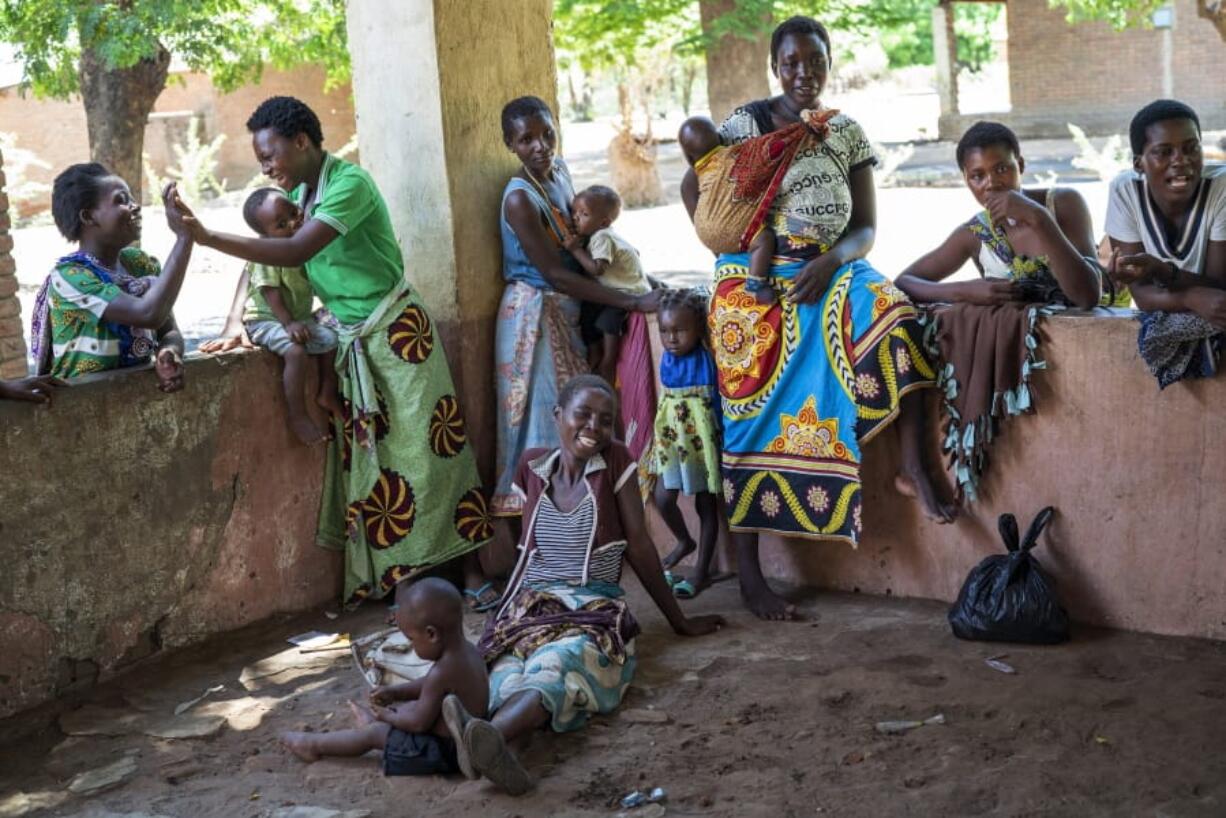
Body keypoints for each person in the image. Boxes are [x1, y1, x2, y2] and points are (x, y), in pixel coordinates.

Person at [680, 16, 956, 620]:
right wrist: (734, 246)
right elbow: (696, 187)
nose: (804, 73)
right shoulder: (744, 126)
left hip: (830, 269)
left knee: (897, 315)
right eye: (791, 63)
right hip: (756, 280)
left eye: (815, 61)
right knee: (747, 409)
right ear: (775, 68)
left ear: (830, 63)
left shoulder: (843, 132)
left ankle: (913, 464)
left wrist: (832, 260)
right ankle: (751, 577)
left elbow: (866, 229)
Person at [172, 96, 494, 609]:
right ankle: (405, 582)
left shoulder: (349, 186)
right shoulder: (299, 193)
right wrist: (237, 324)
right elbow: (264, 263)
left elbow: (297, 251)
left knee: (435, 453)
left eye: (270, 154)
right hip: (350, 338)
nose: (266, 167)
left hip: (397, 333)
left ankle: (472, 570)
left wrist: (208, 237)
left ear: (302, 142)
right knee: (377, 461)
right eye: (259, 159)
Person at [439, 375, 723, 795]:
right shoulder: (533, 467)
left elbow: (641, 550)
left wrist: (679, 621)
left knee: (561, 663)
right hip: (531, 607)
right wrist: (499, 616)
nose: (594, 427)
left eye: (605, 421)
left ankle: (491, 736)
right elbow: (523, 555)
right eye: (583, 414)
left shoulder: (616, 465)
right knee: (510, 672)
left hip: (593, 609)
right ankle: (507, 755)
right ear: (558, 416)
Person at [492, 96, 661, 520]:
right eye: (526, 139)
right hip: (535, 316)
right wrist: (633, 301)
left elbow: (587, 242)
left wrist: (637, 279)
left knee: (577, 427)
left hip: (566, 309)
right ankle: (542, 544)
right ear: (509, 144)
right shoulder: (519, 199)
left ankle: (575, 535)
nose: (540, 146)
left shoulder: (561, 172)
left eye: (546, 134)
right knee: (545, 430)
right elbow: (555, 273)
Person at [280, 577, 488, 776]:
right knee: (405, 708)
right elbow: (431, 687)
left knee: (374, 734)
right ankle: (379, 725)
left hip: (442, 753)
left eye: (411, 640)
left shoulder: (442, 671)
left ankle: (313, 745)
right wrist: (396, 691)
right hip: (456, 739)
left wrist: (386, 716)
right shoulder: (469, 653)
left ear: (431, 634)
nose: (412, 646)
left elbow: (418, 723)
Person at [895, 121, 1102, 310]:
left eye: (1001, 169)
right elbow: (904, 283)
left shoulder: (1061, 205)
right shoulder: (976, 233)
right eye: (978, 176)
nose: (992, 183)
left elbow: (1088, 297)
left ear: (1020, 165)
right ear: (967, 181)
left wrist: (1038, 217)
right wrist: (965, 292)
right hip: (1013, 348)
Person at [30, 164, 192, 392]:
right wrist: (184, 239)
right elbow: (148, 314)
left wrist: (169, 351)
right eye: (121, 200)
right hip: (81, 407)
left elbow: (168, 330)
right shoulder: (71, 276)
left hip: (134, 400)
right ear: (88, 216)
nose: (135, 206)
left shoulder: (139, 263)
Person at [1105, 99, 1226, 387]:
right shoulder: (1125, 192)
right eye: (1163, 152)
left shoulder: (1220, 189)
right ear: (1138, 163)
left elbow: (1219, 290)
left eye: (1190, 148)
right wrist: (1188, 298)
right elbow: (1143, 296)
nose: (1180, 160)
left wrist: (1161, 271)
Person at [209, 187, 341, 445]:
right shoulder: (268, 253)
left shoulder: (305, 243)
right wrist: (289, 323)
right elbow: (271, 292)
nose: (294, 222)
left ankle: (327, 390)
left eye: (293, 212)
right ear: (265, 235)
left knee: (333, 337)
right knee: (295, 352)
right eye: (281, 224)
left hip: (296, 318)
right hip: (265, 319)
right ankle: (298, 416)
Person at [649, 289, 729, 598]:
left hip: (703, 442)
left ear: (698, 328)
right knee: (663, 497)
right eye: (664, 331)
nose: (671, 338)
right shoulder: (667, 359)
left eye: (680, 331)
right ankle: (684, 541)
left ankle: (701, 572)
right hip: (672, 440)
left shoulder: (707, 359)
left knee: (706, 505)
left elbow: (716, 404)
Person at [677, 115, 785, 305]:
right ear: (720, 139)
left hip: (708, 236)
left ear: (688, 157)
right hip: (738, 234)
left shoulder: (694, 176)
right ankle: (756, 283)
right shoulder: (735, 156)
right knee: (765, 238)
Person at [564, 184, 652, 385]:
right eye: (574, 212)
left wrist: (575, 250)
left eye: (584, 214)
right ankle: (595, 350)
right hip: (612, 289)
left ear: (603, 222)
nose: (576, 218)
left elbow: (597, 269)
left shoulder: (602, 236)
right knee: (587, 314)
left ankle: (608, 358)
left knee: (608, 320)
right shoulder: (599, 234)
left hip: (628, 292)